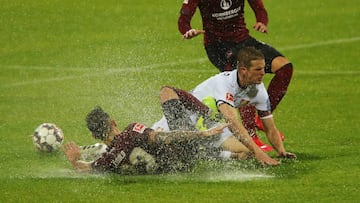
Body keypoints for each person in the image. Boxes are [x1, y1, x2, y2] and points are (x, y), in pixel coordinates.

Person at [178, 0, 293, 150]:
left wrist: (261, 21)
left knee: (285, 67)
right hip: (218, 46)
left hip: (244, 41)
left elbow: (259, 8)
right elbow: (183, 20)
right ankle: (250, 135)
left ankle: (262, 117)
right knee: (245, 81)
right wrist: (188, 30)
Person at [156, 47, 296, 162]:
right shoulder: (224, 83)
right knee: (162, 150)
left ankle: (204, 154)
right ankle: (198, 153)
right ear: (243, 70)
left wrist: (281, 151)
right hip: (187, 118)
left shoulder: (258, 91)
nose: (263, 73)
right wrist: (259, 152)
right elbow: (232, 121)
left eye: (263, 68)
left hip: (212, 124)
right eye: (258, 69)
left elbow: (270, 128)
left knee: (247, 153)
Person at [62, 106, 230, 174]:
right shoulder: (132, 131)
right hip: (184, 160)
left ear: (94, 135)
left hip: (167, 171)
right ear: (113, 122)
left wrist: (74, 160)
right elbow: (166, 138)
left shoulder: (107, 160)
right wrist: (202, 134)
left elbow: (87, 168)